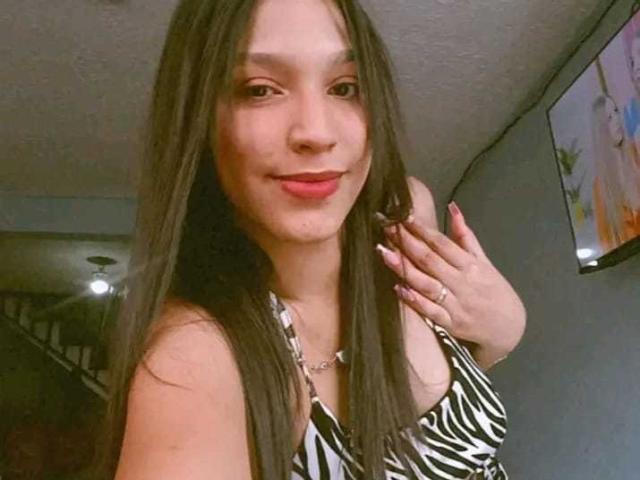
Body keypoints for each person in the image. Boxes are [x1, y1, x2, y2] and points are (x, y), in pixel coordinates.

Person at [99, 1, 526, 479]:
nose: (317, 133)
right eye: (260, 90)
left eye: (345, 87)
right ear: (197, 119)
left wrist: (500, 335)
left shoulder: (404, 216)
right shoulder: (193, 364)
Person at [591, 94, 640, 252]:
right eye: (609, 118)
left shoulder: (635, 156)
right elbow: (605, 244)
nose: (617, 120)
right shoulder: (600, 188)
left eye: (616, 112)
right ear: (601, 130)